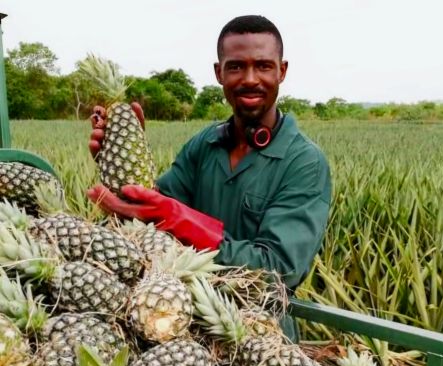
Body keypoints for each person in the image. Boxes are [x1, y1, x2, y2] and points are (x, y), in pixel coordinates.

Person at [87, 15, 332, 342]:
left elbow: (278, 270)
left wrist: (181, 219)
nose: (249, 79)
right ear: (219, 73)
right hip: (183, 324)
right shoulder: (205, 144)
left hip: (259, 337)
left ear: (281, 71)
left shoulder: (304, 163)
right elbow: (150, 208)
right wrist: (126, 157)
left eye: (263, 66)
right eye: (235, 67)